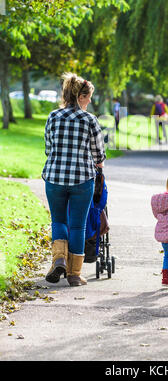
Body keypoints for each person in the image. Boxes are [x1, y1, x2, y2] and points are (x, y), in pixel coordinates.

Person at [42, 72, 106, 287]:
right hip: (81, 179)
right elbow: (98, 154)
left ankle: (59, 258)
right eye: (88, 97)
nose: (89, 101)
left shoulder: (53, 116)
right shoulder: (89, 120)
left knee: (58, 221)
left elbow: (48, 148)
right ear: (81, 97)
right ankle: (74, 275)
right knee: (77, 226)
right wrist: (98, 163)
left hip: (54, 177)